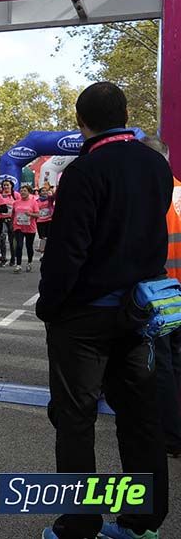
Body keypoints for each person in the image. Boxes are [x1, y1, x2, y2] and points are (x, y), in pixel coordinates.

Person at [37, 82, 170, 539]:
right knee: (139, 417)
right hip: (140, 312)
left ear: (81, 122)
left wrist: (49, 305)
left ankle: (79, 523)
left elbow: (67, 250)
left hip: (85, 316)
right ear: (126, 113)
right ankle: (141, 523)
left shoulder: (84, 170)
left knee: (76, 419)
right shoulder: (156, 165)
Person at [140, 135, 181, 461]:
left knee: (162, 364)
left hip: (160, 291)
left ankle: (171, 434)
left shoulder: (147, 194)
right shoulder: (180, 191)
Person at [11, 183, 40, 273]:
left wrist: (30, 214)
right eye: (21, 191)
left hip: (30, 227)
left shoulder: (33, 202)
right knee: (19, 245)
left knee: (29, 246)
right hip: (18, 226)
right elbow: (13, 214)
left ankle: (29, 262)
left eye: (25, 191)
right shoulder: (16, 202)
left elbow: (38, 214)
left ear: (29, 192)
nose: (22, 192)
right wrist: (13, 224)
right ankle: (18, 265)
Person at [0, 179, 16, 266]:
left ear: (11, 186)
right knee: (2, 238)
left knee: (12, 240)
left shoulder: (16, 195)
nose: (6, 187)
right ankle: (3, 258)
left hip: (12, 220)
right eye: (4, 185)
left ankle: (13, 258)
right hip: (1, 219)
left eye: (7, 185)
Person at [36, 184, 54, 255]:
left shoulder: (50, 199)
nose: (45, 192)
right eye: (43, 191)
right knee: (42, 237)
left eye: (46, 191)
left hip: (49, 220)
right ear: (40, 193)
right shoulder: (36, 201)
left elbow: (54, 196)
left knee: (48, 237)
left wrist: (52, 189)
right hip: (40, 221)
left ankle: (48, 252)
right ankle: (42, 254)